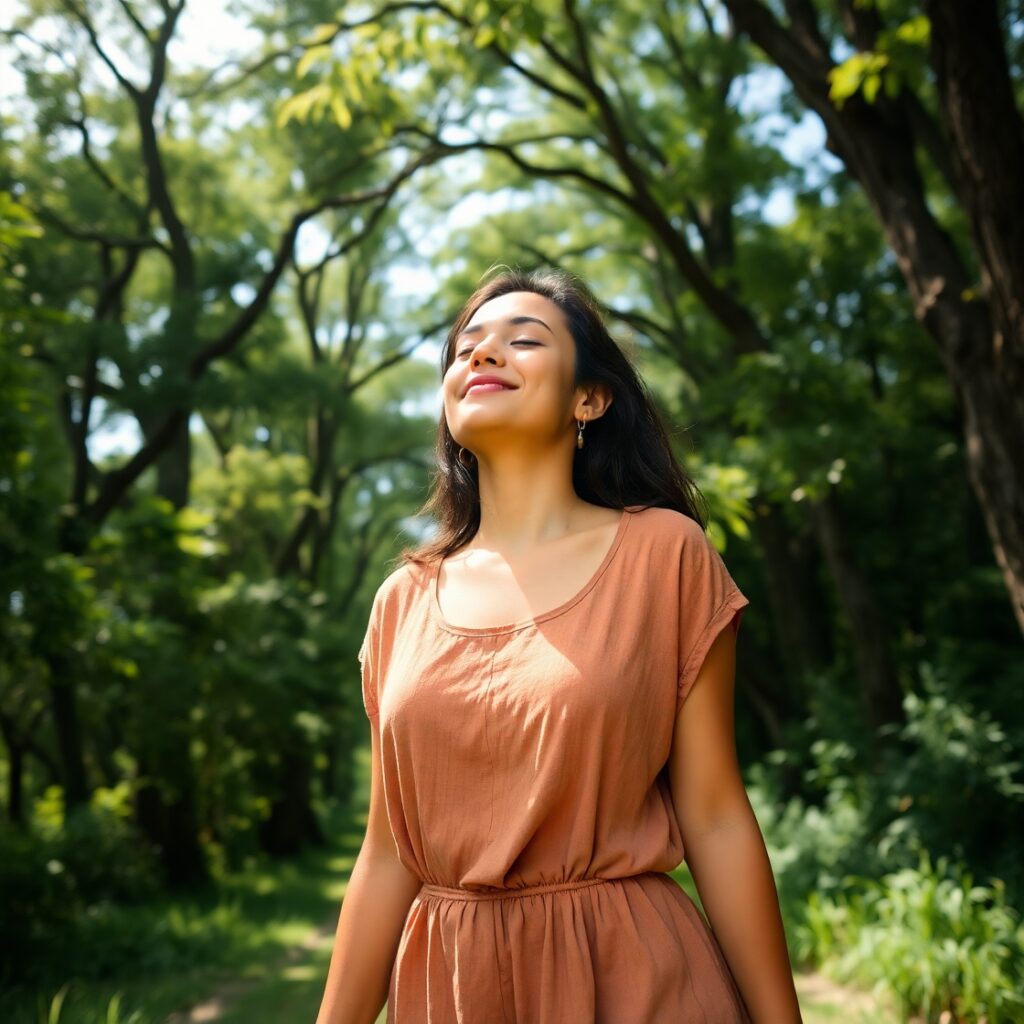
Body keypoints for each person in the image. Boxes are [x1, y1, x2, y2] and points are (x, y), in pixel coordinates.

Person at [315, 268, 802, 1024]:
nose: (481, 356)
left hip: (636, 978)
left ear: (590, 398)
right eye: (465, 347)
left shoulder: (664, 554)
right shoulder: (402, 601)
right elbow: (386, 854)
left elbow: (714, 814)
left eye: (523, 340)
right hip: (453, 991)